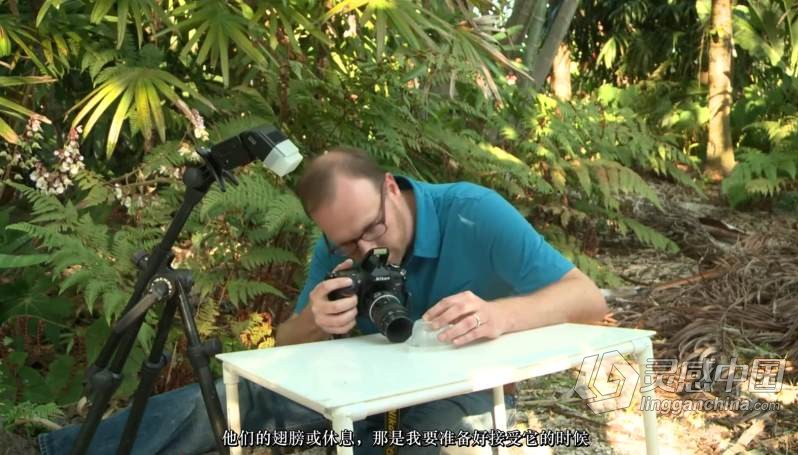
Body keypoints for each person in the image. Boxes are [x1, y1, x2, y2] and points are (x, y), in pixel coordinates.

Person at [38, 147, 607, 454]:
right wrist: (314, 319)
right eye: (347, 243)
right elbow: (285, 347)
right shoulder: (337, 242)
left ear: (390, 187)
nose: (365, 248)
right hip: (358, 387)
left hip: (458, 383)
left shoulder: (471, 212)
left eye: (373, 230)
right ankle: (51, 451)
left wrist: (501, 314)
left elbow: (586, 297)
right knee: (227, 401)